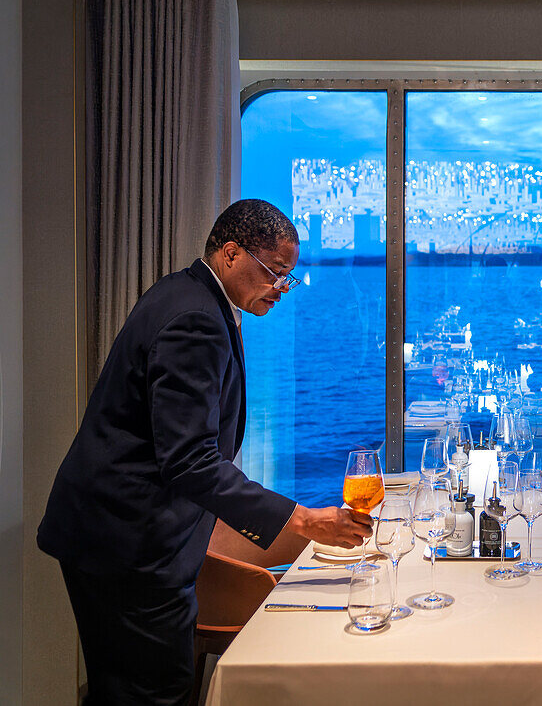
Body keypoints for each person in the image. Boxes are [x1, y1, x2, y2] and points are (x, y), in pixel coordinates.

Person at [38, 199, 374, 706]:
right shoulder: (196, 318)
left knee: (125, 688)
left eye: (290, 276)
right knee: (155, 693)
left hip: (114, 529)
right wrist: (304, 520)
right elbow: (189, 460)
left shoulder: (188, 294)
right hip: (130, 541)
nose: (283, 288)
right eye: (275, 272)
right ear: (232, 253)